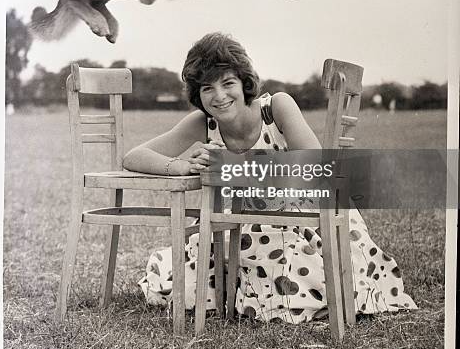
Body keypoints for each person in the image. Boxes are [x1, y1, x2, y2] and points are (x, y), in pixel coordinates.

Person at [123, 33, 416, 323]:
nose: (220, 96)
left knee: (284, 265)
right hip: (245, 220)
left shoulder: (276, 106)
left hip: (305, 216)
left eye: (228, 83)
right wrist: (183, 166)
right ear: (197, 95)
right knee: (205, 257)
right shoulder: (204, 123)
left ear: (244, 83)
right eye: (207, 88)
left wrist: (235, 166)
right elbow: (134, 156)